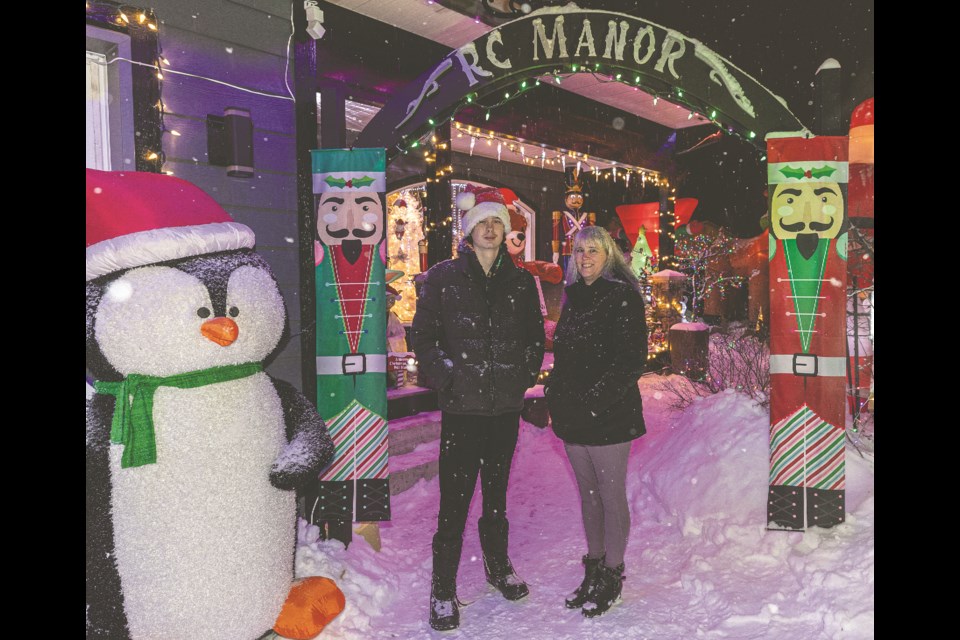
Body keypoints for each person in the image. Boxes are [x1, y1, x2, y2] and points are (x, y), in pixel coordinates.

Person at [411, 184, 546, 631]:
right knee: (454, 499)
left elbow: (534, 337)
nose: (490, 229)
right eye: (482, 223)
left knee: (496, 494)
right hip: (462, 408)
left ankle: (497, 566)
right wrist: (445, 376)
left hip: (504, 407)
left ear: (504, 231)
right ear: (469, 232)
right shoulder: (443, 277)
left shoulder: (522, 281)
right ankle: (443, 588)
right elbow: (423, 337)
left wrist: (522, 374)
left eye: (497, 223)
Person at [544, 225, 648, 618]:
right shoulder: (573, 297)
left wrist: (593, 403)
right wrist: (557, 394)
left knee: (609, 493)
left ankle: (612, 573)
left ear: (609, 256)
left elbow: (631, 360)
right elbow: (566, 357)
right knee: (588, 495)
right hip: (573, 414)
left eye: (593, 250)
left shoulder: (622, 297)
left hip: (610, 414)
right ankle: (594, 565)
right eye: (579, 250)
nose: (585, 257)